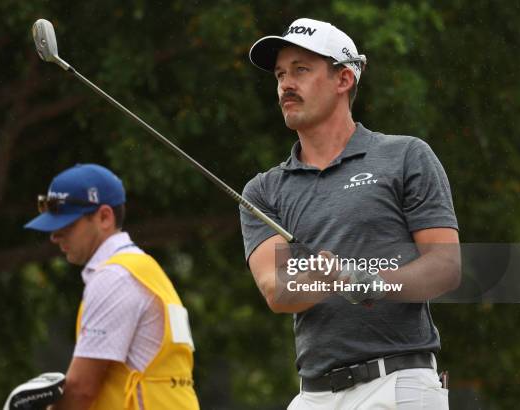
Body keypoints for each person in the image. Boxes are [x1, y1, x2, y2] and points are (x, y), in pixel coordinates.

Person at [240, 18, 461, 409]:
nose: (285, 85)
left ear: (343, 79)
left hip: (398, 383)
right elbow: (276, 291)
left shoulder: (406, 155)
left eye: (301, 70)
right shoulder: (263, 190)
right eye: (280, 74)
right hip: (314, 394)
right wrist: (319, 279)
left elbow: (445, 267)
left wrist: (370, 282)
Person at [24, 163, 199, 410]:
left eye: (67, 224)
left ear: (104, 217)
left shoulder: (115, 278)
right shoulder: (143, 270)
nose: (55, 236)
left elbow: (81, 390)